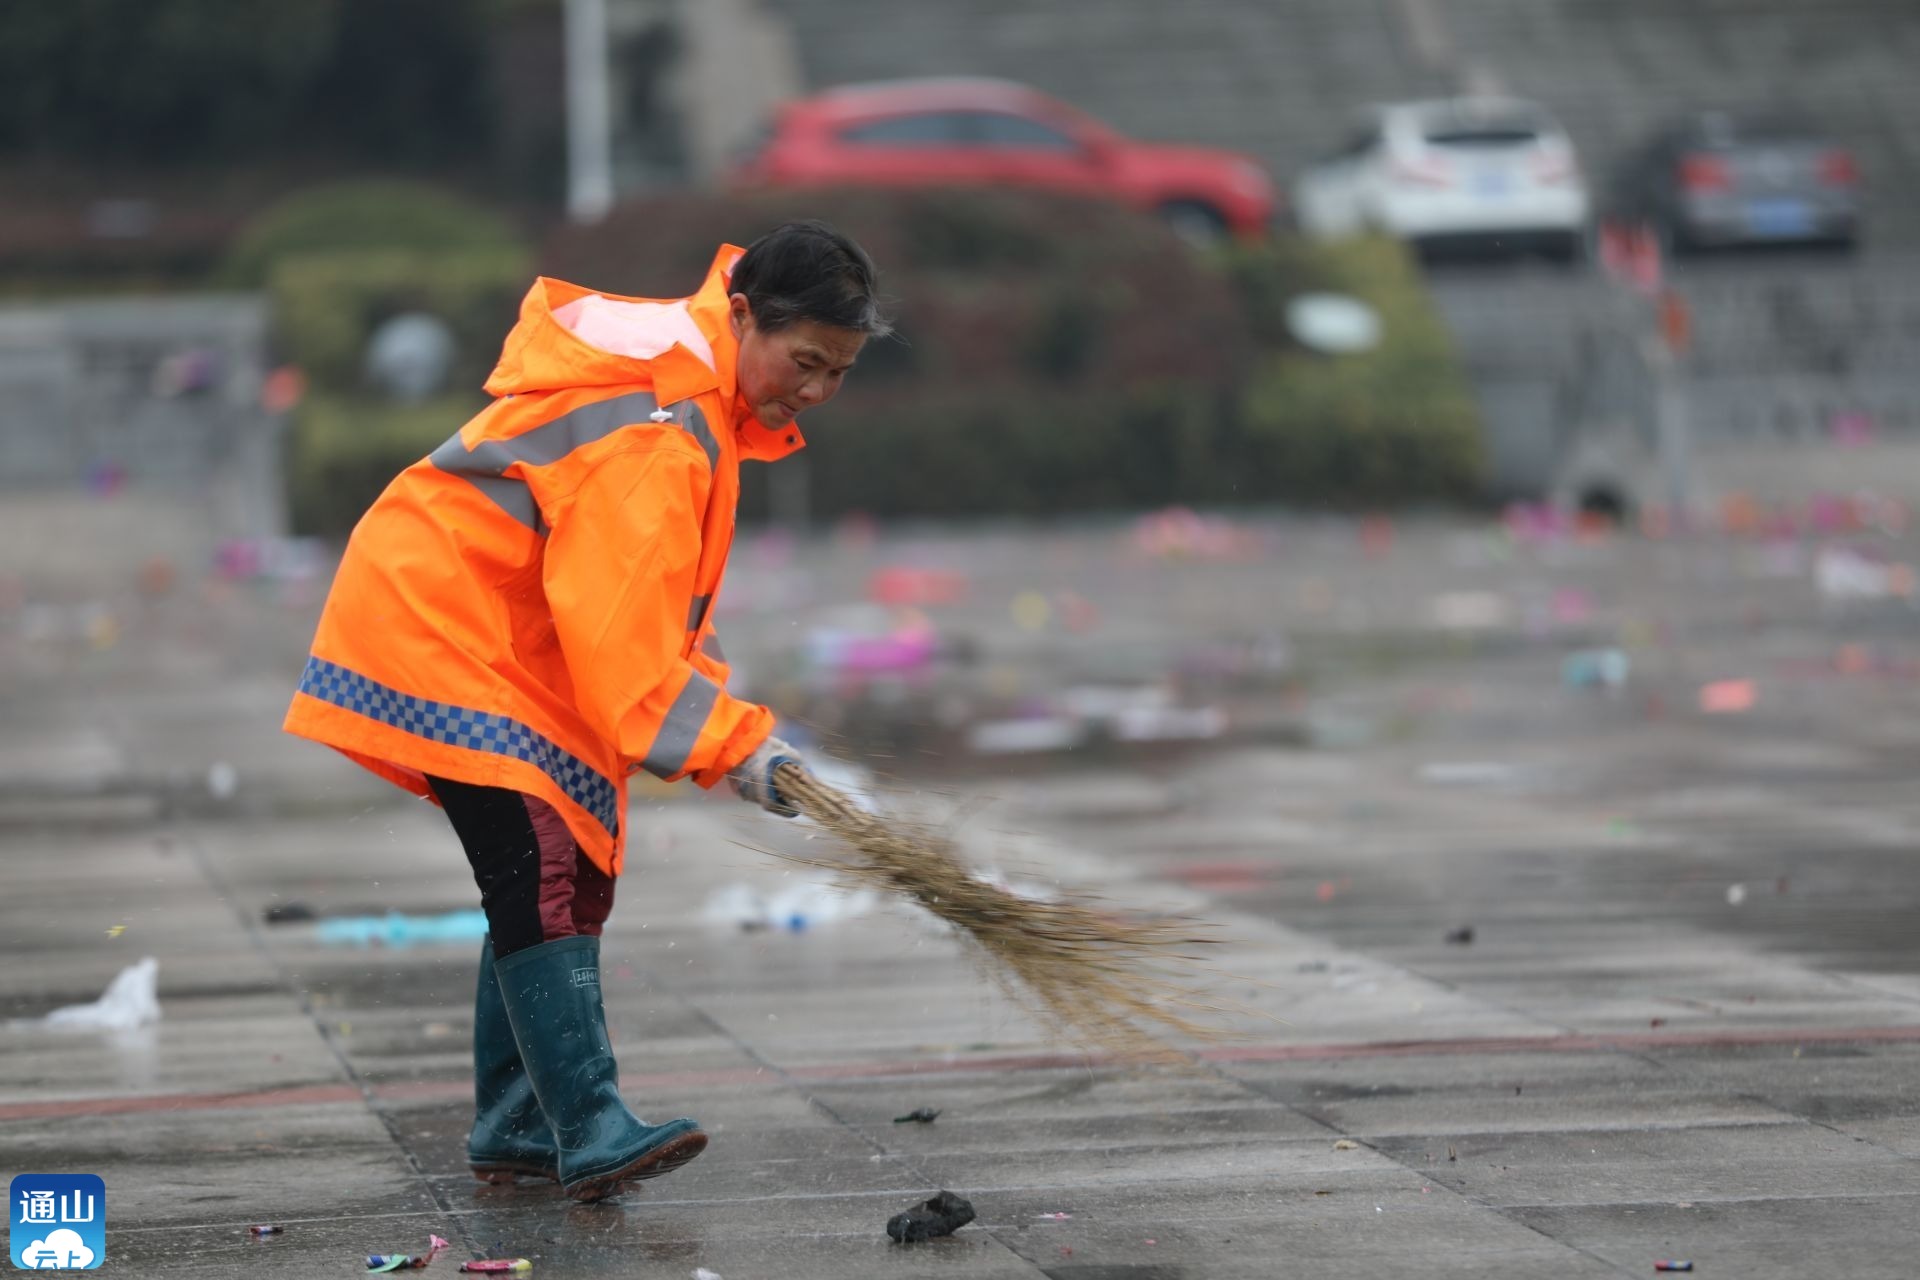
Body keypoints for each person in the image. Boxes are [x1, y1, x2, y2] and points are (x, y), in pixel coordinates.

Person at [283, 221, 888, 1201]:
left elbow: (657, 611)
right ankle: (589, 1120)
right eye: (805, 360)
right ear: (741, 313)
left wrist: (737, 727)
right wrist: (733, 745)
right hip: (446, 622)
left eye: (839, 372)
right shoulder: (663, 427)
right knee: (538, 865)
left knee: (570, 867)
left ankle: (517, 1122)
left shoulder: (696, 394)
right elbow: (627, 645)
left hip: (506, 635)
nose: (815, 391)